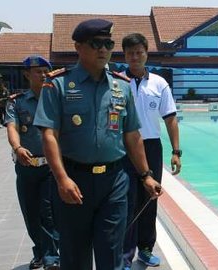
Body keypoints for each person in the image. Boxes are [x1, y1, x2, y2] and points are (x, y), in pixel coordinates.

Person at [33, 19, 163, 270]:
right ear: (79, 47)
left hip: (114, 182)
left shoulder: (121, 86)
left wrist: (146, 175)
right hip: (73, 180)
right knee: (75, 257)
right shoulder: (57, 84)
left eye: (108, 43)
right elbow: (49, 134)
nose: (103, 49)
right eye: (96, 43)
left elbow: (132, 135)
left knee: (112, 256)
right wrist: (61, 179)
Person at [121, 33, 182, 269]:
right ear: (124, 56)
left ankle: (146, 249)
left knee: (149, 198)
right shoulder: (117, 81)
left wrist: (176, 151)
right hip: (124, 148)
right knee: (126, 200)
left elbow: (170, 118)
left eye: (139, 52)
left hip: (151, 146)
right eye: (130, 53)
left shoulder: (159, 83)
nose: (135, 57)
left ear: (146, 53)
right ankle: (125, 255)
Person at [5, 56, 60, 270]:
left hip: (49, 168)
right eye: (38, 71)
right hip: (26, 167)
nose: (43, 74)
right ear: (27, 74)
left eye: (46, 71)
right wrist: (17, 148)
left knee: (48, 212)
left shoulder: (54, 98)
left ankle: (52, 257)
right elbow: (12, 127)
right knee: (30, 213)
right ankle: (40, 252)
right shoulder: (16, 101)